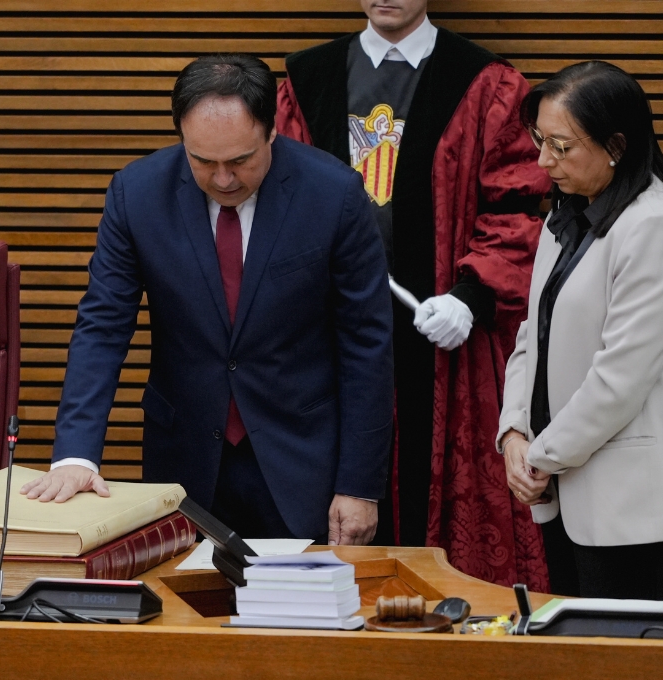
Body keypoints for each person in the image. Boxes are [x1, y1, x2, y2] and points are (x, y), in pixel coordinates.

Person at [21, 55, 394, 545]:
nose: (223, 179)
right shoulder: (137, 194)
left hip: (302, 462)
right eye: (202, 161)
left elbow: (366, 344)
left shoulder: (334, 193)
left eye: (240, 161)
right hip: (184, 463)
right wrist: (76, 454)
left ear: (272, 131)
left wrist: (359, 485)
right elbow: (102, 327)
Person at [275, 0, 550, 588]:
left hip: (443, 344)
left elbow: (518, 210)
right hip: (326, 344)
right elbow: (280, 204)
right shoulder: (305, 82)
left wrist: (471, 296)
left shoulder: (485, 84)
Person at [498, 61, 663, 600]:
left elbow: (620, 380)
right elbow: (533, 334)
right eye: (540, 140)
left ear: (616, 145)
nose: (543, 160)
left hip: (635, 508)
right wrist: (513, 433)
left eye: (561, 146)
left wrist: (539, 457)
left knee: (630, 653)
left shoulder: (654, 224)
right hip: (563, 491)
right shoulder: (566, 214)